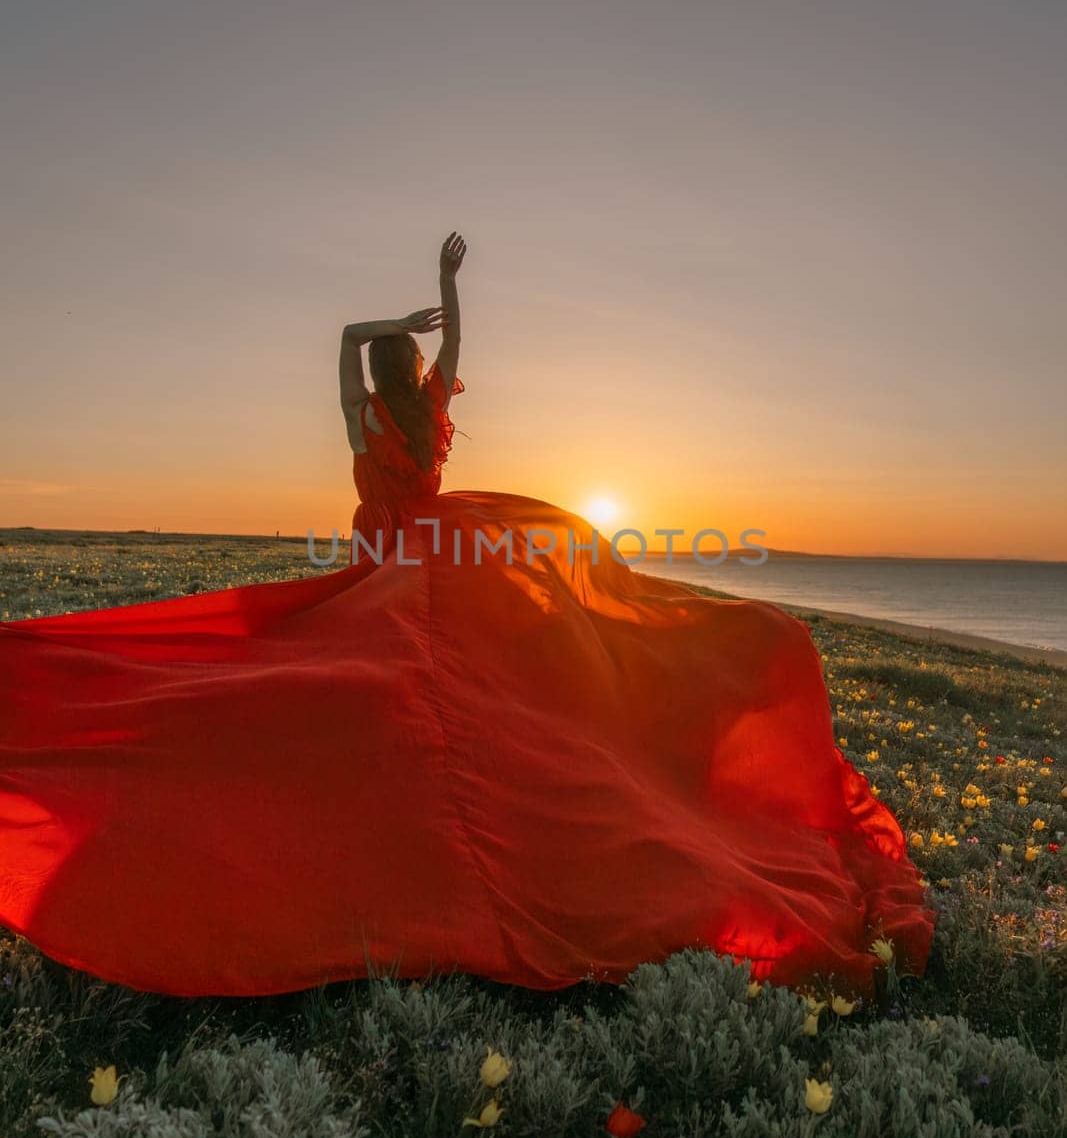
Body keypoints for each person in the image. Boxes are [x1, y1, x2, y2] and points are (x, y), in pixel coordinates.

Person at [0, 233, 933, 999]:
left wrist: (401, 313)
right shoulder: (413, 413)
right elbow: (441, 352)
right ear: (417, 367)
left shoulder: (369, 417)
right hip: (426, 559)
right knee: (436, 696)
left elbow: (347, 341)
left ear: (382, 366)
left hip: (402, 565)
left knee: (415, 696)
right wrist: (443, 290)